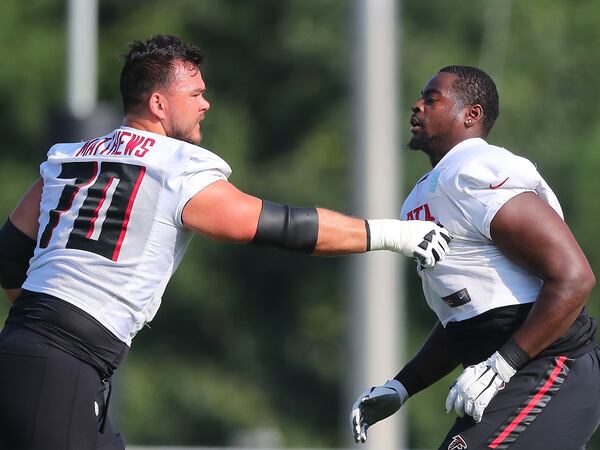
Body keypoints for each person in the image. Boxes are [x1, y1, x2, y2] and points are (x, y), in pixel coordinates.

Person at [0, 35, 451, 450]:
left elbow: (8, 257)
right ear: (158, 103)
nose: (206, 104)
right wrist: (395, 234)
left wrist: (43, 329)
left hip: (34, 349)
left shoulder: (70, 156)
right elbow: (278, 225)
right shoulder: (174, 165)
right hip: (63, 365)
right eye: (194, 94)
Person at [350, 65, 600, 449]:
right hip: (504, 373)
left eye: (432, 100)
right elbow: (465, 320)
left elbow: (574, 277)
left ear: (472, 114)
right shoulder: (423, 194)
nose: (417, 106)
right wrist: (403, 385)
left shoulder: (475, 170)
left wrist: (502, 366)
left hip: (550, 365)